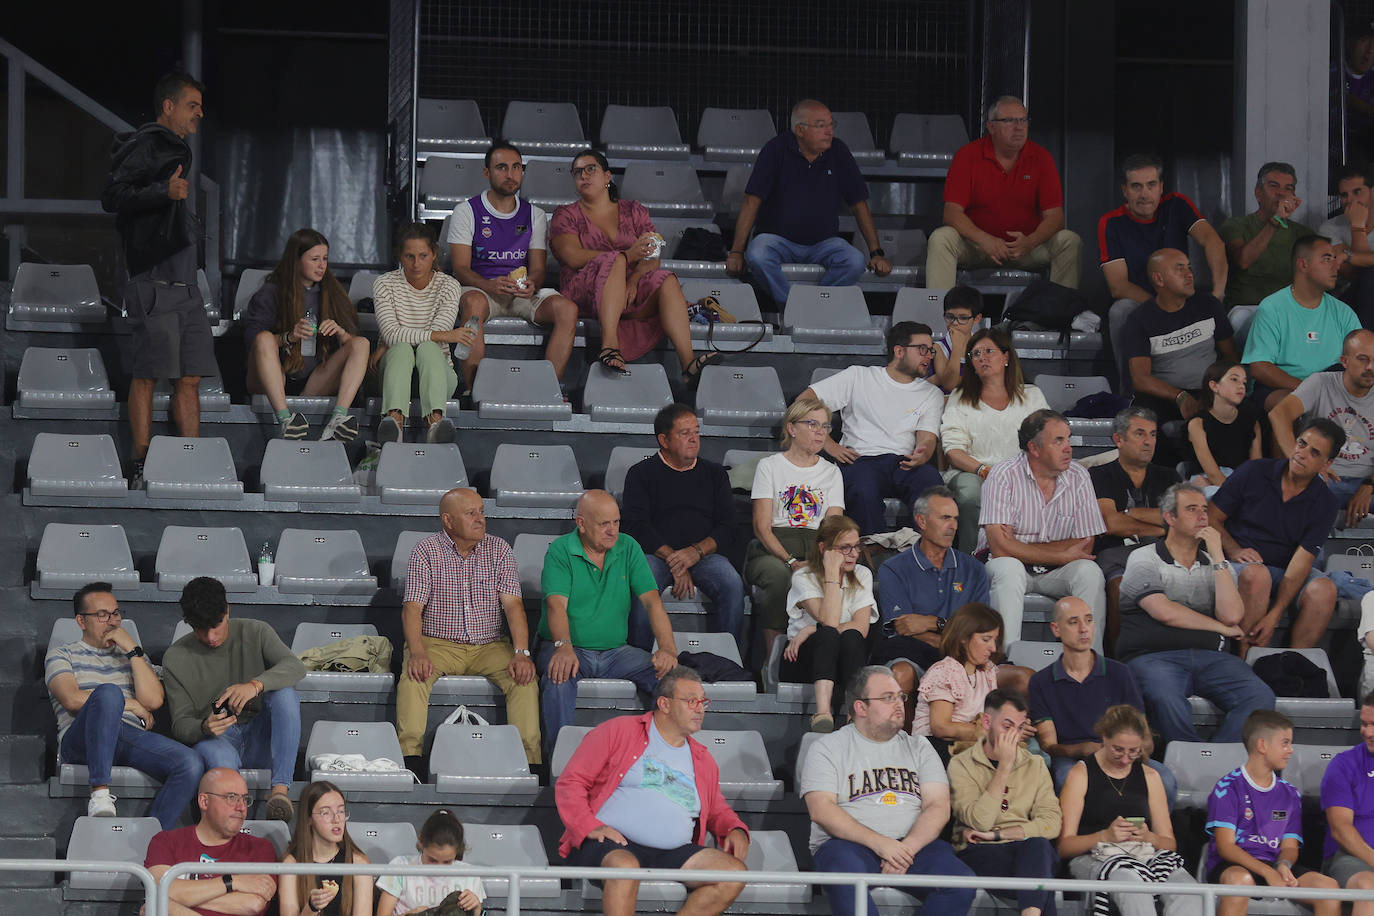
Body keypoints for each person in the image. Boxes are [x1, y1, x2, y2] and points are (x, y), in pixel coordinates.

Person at [554, 667, 749, 916]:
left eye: (703, 701)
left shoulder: (703, 758)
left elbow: (716, 807)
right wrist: (588, 826)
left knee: (733, 875)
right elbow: (572, 782)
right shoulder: (617, 731)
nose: (700, 708)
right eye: (691, 701)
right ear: (664, 704)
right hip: (613, 844)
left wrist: (734, 829)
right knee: (625, 867)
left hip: (675, 851)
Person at [102, 72, 218, 485]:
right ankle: (141, 462)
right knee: (148, 375)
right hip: (154, 282)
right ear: (168, 106)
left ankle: (189, 462)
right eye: (192, 105)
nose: (200, 113)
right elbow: (112, 196)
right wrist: (161, 193)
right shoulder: (146, 142)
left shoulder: (177, 148)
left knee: (190, 377)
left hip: (187, 286)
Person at [802, 665, 976, 916]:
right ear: (861, 707)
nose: (899, 704)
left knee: (960, 884)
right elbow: (821, 810)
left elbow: (938, 806)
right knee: (846, 876)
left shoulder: (920, 747)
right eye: (887, 698)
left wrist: (906, 849)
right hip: (849, 845)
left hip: (915, 845)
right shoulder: (828, 748)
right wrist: (883, 845)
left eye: (900, 696)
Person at [1117, 483, 1276, 745]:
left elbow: (1232, 616)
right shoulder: (1143, 558)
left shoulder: (1216, 565)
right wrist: (1220, 629)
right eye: (1192, 510)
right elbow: (1163, 610)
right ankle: (1186, 762)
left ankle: (1215, 762)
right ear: (1170, 517)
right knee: (1166, 698)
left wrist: (1216, 554)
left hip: (1212, 659)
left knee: (1260, 697)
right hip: (1154, 658)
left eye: (1204, 510)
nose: (1203, 516)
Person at [397, 488, 539, 773]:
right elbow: (412, 608)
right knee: (413, 677)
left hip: (490, 646)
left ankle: (529, 765)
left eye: (482, 512)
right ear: (448, 521)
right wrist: (417, 652)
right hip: (438, 644)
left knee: (524, 679)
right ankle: (410, 762)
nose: (480, 519)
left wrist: (521, 652)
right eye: (471, 513)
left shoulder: (499, 549)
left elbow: (513, 606)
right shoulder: (426, 550)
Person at [549, 149, 715, 383]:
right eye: (577, 172)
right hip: (584, 290)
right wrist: (625, 255)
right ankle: (609, 346)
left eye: (590, 169)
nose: (583, 176)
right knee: (614, 259)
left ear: (607, 177)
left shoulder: (634, 211)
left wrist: (634, 280)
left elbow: (653, 255)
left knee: (666, 279)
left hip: (628, 290)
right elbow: (572, 256)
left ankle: (688, 364)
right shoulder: (565, 214)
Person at [45, 581, 202, 826]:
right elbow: (72, 699)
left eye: (116, 613)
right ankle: (100, 794)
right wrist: (131, 704)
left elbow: (153, 701)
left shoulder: (133, 657)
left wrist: (132, 649)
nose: (113, 621)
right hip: (82, 738)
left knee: (190, 763)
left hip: (126, 736)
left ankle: (152, 838)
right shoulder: (62, 654)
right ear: (81, 621)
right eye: (102, 615)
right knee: (108, 693)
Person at [538, 490, 678, 759]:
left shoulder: (628, 547)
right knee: (559, 676)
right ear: (581, 524)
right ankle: (560, 763)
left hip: (616, 652)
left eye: (616, 522)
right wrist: (564, 646)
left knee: (671, 679)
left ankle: (660, 758)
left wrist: (668, 649)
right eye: (604, 524)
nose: (612, 531)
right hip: (569, 647)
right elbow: (556, 605)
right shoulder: (560, 550)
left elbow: (652, 602)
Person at [162, 576, 305, 821]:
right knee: (220, 757)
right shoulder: (175, 657)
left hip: (261, 734)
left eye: (216, 625)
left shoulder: (256, 631)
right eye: (200, 629)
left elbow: (295, 667)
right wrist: (203, 726)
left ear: (227, 611)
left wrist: (255, 685)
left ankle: (280, 791)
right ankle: (233, 820)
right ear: (188, 624)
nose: (211, 637)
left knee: (285, 694)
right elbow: (180, 724)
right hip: (217, 738)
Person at [725, 99, 892, 304]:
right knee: (758, 254)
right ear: (800, 130)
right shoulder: (776, 149)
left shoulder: (838, 151)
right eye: (821, 126)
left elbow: (859, 204)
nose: (829, 131)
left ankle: (813, 306)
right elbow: (752, 202)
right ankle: (791, 306)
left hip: (824, 244)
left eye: (831, 125)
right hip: (777, 241)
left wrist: (876, 253)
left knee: (855, 261)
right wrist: (736, 252)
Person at [447, 141, 579, 389]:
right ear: (487, 172)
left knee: (567, 309)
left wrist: (532, 284)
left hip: (521, 294)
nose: (511, 174)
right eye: (502, 167)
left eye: (517, 167)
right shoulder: (467, 211)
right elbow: (461, 269)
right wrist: (489, 285)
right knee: (473, 303)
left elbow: (538, 269)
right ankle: (474, 390)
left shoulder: (534, 214)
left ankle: (546, 390)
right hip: (483, 291)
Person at [1028, 597, 1176, 806]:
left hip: (1123, 754)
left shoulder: (1120, 673)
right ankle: (1072, 838)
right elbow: (1049, 745)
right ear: (1056, 629)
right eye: (1073, 622)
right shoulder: (1041, 681)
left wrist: (1118, 753)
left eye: (1088, 620)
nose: (1083, 629)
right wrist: (1082, 749)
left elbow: (1144, 737)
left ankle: (1151, 837)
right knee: (1065, 777)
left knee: (1166, 780)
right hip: (1073, 758)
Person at [1209, 416, 1342, 648]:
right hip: (1240, 566)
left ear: (1326, 464)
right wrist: (1234, 549)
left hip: (1285, 571)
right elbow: (1210, 516)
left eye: (1315, 453)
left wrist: (1276, 614)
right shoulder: (1254, 471)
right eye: (1301, 444)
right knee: (1257, 575)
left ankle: (1292, 668)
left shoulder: (1326, 502)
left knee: (1325, 589)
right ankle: (1245, 664)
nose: (1302, 454)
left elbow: (1302, 563)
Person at [802, 321, 945, 535]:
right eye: (922, 349)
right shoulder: (858, 376)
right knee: (862, 489)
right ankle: (871, 556)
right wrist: (829, 445)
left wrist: (923, 453)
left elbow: (927, 438)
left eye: (931, 350)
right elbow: (804, 402)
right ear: (899, 351)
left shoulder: (931, 393)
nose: (929, 356)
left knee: (931, 482)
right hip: (860, 459)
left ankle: (926, 557)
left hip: (903, 462)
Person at [926, 95, 1082, 290]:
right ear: (991, 127)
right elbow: (951, 213)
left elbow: (1056, 217)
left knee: (1069, 241)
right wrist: (985, 240)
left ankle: (1060, 316)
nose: (1019, 127)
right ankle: (940, 316)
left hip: (1027, 249)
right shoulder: (967, 156)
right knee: (941, 238)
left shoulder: (1041, 158)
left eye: (1023, 120)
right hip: (977, 247)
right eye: (1009, 121)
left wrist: (1030, 242)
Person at [980, 409, 1107, 649]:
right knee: (1009, 569)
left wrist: (1018, 544)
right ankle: (1006, 662)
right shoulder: (1002, 475)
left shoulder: (1079, 477)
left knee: (1089, 572)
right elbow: (998, 547)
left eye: (1068, 439)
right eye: (1058, 441)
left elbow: (1084, 544)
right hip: (1010, 566)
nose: (1068, 448)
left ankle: (1089, 659)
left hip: (1057, 571)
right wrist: (1060, 553)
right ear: (1034, 448)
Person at [622, 404, 744, 650]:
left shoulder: (715, 474)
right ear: (664, 440)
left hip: (704, 555)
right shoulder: (641, 473)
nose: (693, 439)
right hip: (656, 555)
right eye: (685, 433)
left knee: (732, 583)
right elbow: (636, 526)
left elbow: (728, 526)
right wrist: (676, 560)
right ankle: (639, 658)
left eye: (696, 432)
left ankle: (726, 660)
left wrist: (695, 553)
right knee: (643, 579)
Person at [1056, 705, 1198, 916]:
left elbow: (1169, 843)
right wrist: (1104, 836)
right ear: (1104, 737)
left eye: (1133, 752)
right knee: (1131, 884)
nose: (1125, 759)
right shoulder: (1081, 774)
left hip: (1143, 853)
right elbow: (1064, 847)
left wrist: (1149, 836)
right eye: (1118, 750)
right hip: (1093, 857)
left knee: (1189, 891)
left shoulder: (1150, 776)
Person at [1101, 153, 1228, 383]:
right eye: (1136, 186)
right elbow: (1118, 286)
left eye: (1151, 185)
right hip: (1142, 303)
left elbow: (1213, 241)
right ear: (1125, 191)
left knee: (1214, 307)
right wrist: (1162, 307)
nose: (1144, 194)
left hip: (1183, 295)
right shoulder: (1111, 222)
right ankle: (1129, 394)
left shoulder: (1177, 204)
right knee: (1120, 311)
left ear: (1161, 187)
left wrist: (1218, 293)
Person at [1204, 710, 1341, 916]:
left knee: (1328, 889)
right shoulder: (1228, 787)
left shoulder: (1290, 792)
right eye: (1285, 743)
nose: (1290, 750)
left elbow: (1289, 846)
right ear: (1262, 745)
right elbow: (1226, 847)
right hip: (1234, 865)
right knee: (1240, 881)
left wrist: (1283, 865)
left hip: (1273, 864)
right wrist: (1267, 871)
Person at [241, 228, 371, 441]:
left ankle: (338, 419)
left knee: (361, 343)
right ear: (296, 260)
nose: (322, 266)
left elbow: (353, 345)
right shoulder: (271, 292)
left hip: (314, 380)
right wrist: (288, 337)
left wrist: (341, 334)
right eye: (314, 259)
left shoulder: (332, 292)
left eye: (325, 259)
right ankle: (285, 421)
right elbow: (253, 343)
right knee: (264, 338)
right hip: (275, 379)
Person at [874, 486, 990, 718]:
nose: (954, 526)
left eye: (956, 519)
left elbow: (981, 631)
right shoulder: (894, 569)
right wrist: (957, 635)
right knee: (900, 673)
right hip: (918, 655)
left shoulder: (974, 569)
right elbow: (904, 630)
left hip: (967, 658)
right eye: (945, 518)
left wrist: (933, 622)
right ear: (922, 521)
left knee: (1021, 676)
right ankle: (903, 748)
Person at [745, 394, 845, 660]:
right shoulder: (770, 467)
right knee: (780, 579)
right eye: (813, 424)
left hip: (816, 547)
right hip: (773, 550)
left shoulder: (832, 472)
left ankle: (820, 657)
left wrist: (820, 560)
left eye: (825, 426)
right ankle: (772, 661)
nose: (820, 432)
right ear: (791, 428)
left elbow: (833, 526)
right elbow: (761, 527)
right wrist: (790, 561)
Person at [948, 690, 1062, 916]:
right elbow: (980, 822)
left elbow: (1052, 823)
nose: (1015, 736)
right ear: (987, 722)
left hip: (1025, 850)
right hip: (980, 852)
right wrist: (1004, 767)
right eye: (1007, 726)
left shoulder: (1035, 764)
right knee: (1041, 879)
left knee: (1038, 847)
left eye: (1020, 728)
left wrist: (998, 834)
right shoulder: (961, 764)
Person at [939, 328, 1050, 552]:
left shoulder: (1032, 395)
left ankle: (1033, 554)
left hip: (1023, 472)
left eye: (988, 351)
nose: (982, 358)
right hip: (973, 472)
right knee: (970, 495)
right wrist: (984, 470)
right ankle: (972, 558)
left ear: (1006, 357)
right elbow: (953, 450)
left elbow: (1047, 440)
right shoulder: (961, 397)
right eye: (975, 354)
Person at [1089, 407, 1179, 649]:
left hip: (1163, 557)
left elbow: (1181, 522)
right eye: (1140, 434)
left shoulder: (1170, 477)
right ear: (1119, 439)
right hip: (1117, 557)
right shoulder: (1099, 475)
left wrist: (1131, 514)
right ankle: (1120, 659)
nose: (1149, 442)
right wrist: (1162, 525)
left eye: (1152, 434)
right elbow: (1111, 523)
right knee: (1120, 586)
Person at [781, 515, 877, 732]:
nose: (854, 554)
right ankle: (823, 714)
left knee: (851, 637)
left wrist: (811, 628)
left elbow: (861, 628)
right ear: (824, 548)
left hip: (843, 658)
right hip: (802, 658)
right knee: (828, 634)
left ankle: (854, 716)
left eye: (857, 546)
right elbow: (830, 621)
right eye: (845, 548)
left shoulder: (862, 575)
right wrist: (833, 572)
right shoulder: (803, 576)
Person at [370, 223, 465, 444]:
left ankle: (436, 425)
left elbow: (401, 334)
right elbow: (396, 335)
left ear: (434, 254)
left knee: (427, 347)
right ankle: (393, 422)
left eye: (423, 255)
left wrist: (390, 341)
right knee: (402, 349)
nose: (416, 264)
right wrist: (444, 336)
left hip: (438, 379)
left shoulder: (449, 286)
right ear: (400, 257)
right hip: (393, 376)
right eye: (409, 256)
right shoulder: (384, 283)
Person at [1119, 248, 1238, 423]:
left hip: (1209, 391)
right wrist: (1180, 396)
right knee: (1143, 419)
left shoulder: (1209, 305)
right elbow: (1140, 379)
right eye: (1179, 269)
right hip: (1165, 396)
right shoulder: (1140, 320)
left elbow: (1230, 357)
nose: (1189, 274)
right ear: (1159, 279)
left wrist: (1219, 390)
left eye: (1189, 268)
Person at [1241, 234, 1359, 410]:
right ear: (1303, 264)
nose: (1336, 266)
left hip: (1333, 388)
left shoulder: (1343, 312)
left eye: (1335, 259)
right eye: (1327, 259)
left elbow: (1361, 358)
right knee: (1293, 406)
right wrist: (1309, 390)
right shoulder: (1273, 307)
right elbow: (1259, 366)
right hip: (1281, 388)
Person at [1270, 328, 1374, 527]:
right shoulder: (1321, 382)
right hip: (1322, 479)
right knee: (1298, 498)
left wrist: (1369, 485)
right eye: (1362, 359)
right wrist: (1298, 459)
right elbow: (1278, 414)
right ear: (1344, 361)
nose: (1370, 366)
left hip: (1365, 482)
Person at [144, 767, 278, 916]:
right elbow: (161, 889)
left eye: (245, 799)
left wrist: (177, 900)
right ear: (204, 801)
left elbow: (253, 904)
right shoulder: (165, 842)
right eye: (231, 797)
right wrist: (233, 882)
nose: (241, 807)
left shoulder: (260, 848)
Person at [910, 603, 1021, 762]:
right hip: (935, 748)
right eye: (986, 639)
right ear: (963, 637)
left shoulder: (987, 671)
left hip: (968, 745)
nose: (993, 648)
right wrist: (985, 732)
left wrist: (1015, 726)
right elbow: (941, 727)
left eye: (995, 640)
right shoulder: (945, 671)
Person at [1219, 162, 1316, 307]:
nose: (1281, 193)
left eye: (1288, 188)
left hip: (1289, 309)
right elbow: (1243, 261)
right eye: (1274, 186)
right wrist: (1275, 221)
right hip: (1247, 309)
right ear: (1258, 193)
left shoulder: (1303, 234)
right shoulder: (1236, 225)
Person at [278, 781, 372, 916]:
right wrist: (311, 907)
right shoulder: (290, 863)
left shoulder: (359, 863)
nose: (337, 819)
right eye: (325, 812)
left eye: (341, 810)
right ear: (308, 818)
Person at [1318, 694, 1374, 910]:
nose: (1367, 732)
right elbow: (1340, 829)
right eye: (1364, 724)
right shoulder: (1343, 765)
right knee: (1370, 888)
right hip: (1351, 858)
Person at [376, 808, 485, 916]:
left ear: (458, 850)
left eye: (447, 862)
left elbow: (476, 912)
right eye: (432, 860)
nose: (439, 868)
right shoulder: (400, 866)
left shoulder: (469, 874)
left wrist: (475, 907)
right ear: (421, 841)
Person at [1186, 360, 1262, 497]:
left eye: (1244, 382)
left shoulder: (1252, 422)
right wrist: (1238, 496)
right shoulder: (1197, 424)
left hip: (1241, 481)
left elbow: (1256, 466)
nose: (1241, 386)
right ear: (1214, 386)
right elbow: (1213, 473)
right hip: (1211, 482)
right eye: (1234, 379)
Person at [1319, 164, 1374, 327]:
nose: (1350, 200)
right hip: (1348, 299)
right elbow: (1356, 274)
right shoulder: (1329, 228)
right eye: (1344, 195)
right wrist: (1357, 225)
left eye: (1357, 192)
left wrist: (1349, 256)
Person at [929, 286, 983, 392]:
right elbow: (950, 384)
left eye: (963, 318)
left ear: (977, 319)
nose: (954, 323)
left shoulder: (982, 345)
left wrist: (940, 378)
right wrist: (957, 347)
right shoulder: (939, 348)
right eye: (950, 317)